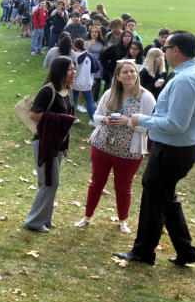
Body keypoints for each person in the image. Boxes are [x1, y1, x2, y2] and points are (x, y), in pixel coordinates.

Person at [113, 30, 195, 267]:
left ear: (176, 51)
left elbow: (176, 124)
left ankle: (143, 252)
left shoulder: (186, 79)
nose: (165, 52)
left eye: (167, 48)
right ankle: (186, 251)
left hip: (172, 149)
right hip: (181, 148)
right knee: (165, 197)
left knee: (153, 198)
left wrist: (142, 119)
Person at [76, 59, 156, 233]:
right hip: (102, 146)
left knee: (123, 187)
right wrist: (103, 119)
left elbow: (150, 126)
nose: (129, 75)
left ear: (137, 74)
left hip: (128, 153)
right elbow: (96, 116)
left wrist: (128, 122)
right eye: (125, 72)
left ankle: (123, 221)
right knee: (97, 182)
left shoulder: (146, 98)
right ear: (118, 76)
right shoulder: (110, 93)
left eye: (133, 71)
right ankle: (87, 216)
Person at [24, 56, 77, 233]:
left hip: (59, 145)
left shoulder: (68, 91)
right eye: (70, 69)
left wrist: (66, 144)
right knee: (49, 182)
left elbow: (68, 123)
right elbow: (34, 115)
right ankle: (34, 221)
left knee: (47, 182)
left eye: (74, 69)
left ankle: (45, 218)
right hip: (45, 143)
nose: (74, 72)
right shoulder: (48, 90)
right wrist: (59, 118)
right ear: (60, 71)